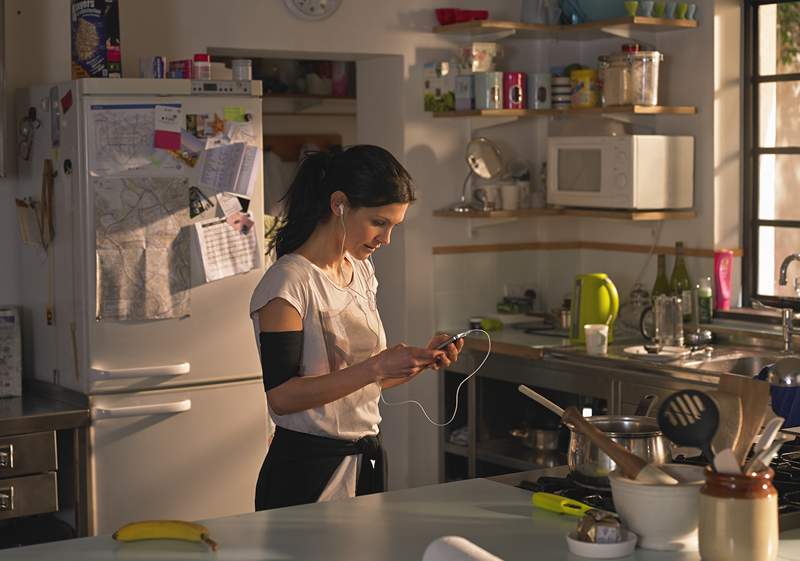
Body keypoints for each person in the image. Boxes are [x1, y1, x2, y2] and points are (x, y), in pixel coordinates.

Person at [250, 145, 464, 510]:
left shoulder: (360, 270)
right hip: (308, 469)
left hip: (367, 456)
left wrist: (418, 361)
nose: (386, 239)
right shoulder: (287, 284)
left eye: (393, 225)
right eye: (379, 222)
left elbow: (359, 382)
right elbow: (282, 398)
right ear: (339, 204)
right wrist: (377, 367)